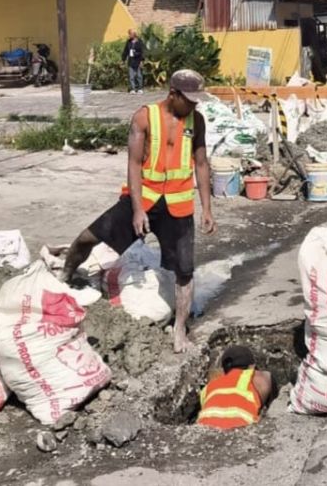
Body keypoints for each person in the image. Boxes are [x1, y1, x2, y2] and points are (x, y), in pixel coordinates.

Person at [62, 69, 216, 353]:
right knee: (87, 238)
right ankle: (65, 277)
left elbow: (202, 163)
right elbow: (133, 164)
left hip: (178, 205)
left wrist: (207, 207)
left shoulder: (197, 121)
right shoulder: (145, 117)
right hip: (143, 198)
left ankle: (179, 329)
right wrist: (136, 210)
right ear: (173, 94)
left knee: (184, 270)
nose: (194, 105)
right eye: (189, 100)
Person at [197, 345, 273, 429]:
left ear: (223, 370)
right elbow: (268, 377)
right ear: (252, 367)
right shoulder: (255, 377)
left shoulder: (208, 388)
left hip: (205, 429)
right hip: (240, 430)